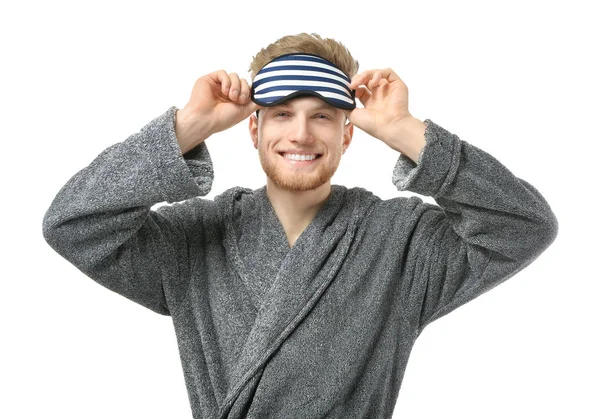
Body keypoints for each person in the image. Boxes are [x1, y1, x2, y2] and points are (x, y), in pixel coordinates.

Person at [42, 33, 558, 418]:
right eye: (282, 114)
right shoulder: (194, 236)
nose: (302, 134)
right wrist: (187, 127)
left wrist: (405, 130)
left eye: (323, 116)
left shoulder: (401, 243)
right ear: (253, 128)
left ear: (348, 134)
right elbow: (72, 224)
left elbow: (524, 226)